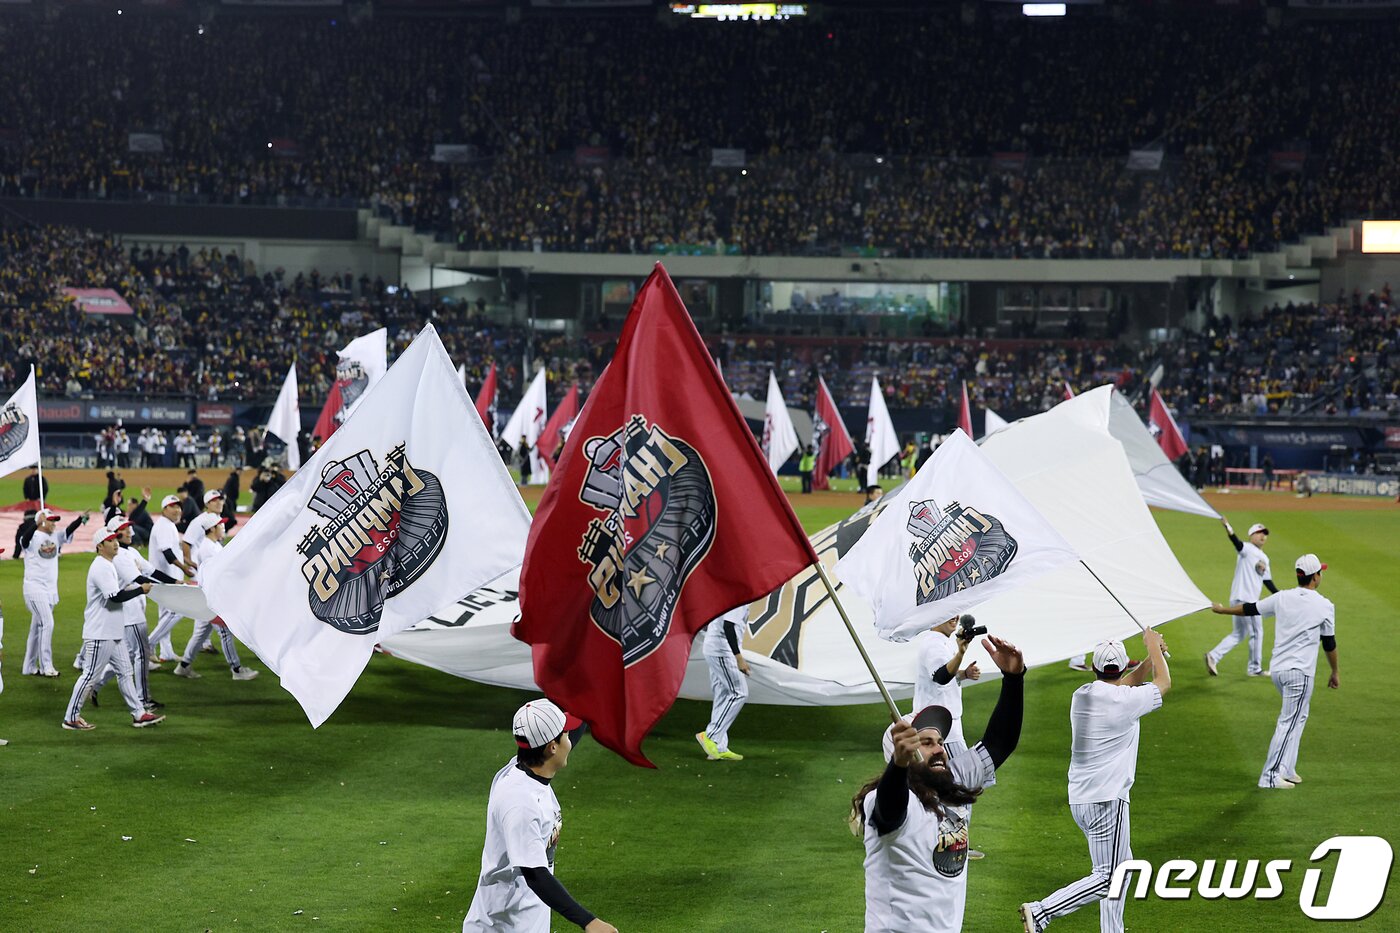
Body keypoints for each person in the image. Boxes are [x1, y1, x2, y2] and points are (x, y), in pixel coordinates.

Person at [853, 636, 1026, 933]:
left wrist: (1013, 679)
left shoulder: (950, 784)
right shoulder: (886, 800)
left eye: (940, 742)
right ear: (902, 751)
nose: (940, 749)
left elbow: (999, 743)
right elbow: (891, 808)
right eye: (927, 743)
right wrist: (899, 764)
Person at [1019, 629, 1171, 933]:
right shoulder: (1126, 700)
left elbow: (1127, 684)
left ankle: (1112, 929)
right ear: (1125, 665)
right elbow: (1163, 683)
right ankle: (1041, 911)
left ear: (1093, 668)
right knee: (1109, 877)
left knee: (1122, 870)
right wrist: (1155, 649)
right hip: (1108, 799)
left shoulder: (1083, 694)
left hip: (1082, 799)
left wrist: (1152, 657)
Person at [462, 699, 616, 933]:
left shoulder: (521, 766)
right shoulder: (521, 804)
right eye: (564, 735)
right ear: (552, 747)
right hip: (505, 925)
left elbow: (571, 734)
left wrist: (593, 693)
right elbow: (535, 875)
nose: (570, 740)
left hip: (521, 920)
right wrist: (589, 922)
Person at [1211, 554, 1338, 789]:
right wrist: (1335, 672)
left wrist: (1223, 610)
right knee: (1289, 721)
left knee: (1298, 717)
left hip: (1278, 671)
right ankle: (1269, 776)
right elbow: (1328, 643)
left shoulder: (1282, 597)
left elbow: (1250, 608)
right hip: (1300, 673)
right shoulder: (1324, 605)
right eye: (1320, 571)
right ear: (1315, 577)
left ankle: (1287, 768)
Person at [60, 528, 164, 731]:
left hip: (113, 631)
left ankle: (139, 714)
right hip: (100, 632)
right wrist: (139, 590)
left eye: (115, 538)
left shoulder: (109, 565)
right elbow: (114, 597)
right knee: (90, 675)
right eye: (109, 540)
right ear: (100, 546)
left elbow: (116, 593)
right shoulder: (101, 567)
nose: (115, 542)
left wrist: (134, 589)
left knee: (125, 672)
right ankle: (70, 717)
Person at [87, 517, 179, 713]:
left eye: (129, 527)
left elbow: (152, 571)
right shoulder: (119, 556)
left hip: (133, 610)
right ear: (114, 535)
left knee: (128, 655)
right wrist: (171, 587)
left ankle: (96, 685)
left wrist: (175, 582)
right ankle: (143, 699)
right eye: (124, 529)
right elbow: (139, 579)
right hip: (130, 613)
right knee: (142, 654)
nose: (130, 532)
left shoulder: (131, 552)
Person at [914, 615, 984, 860]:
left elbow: (945, 676)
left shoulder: (939, 641)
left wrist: (963, 673)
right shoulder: (933, 643)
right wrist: (961, 654)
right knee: (964, 781)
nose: (954, 616)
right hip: (942, 729)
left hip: (942, 723)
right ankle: (955, 841)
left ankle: (941, 838)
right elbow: (941, 676)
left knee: (939, 783)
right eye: (949, 612)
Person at [172, 515, 259, 682]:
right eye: (220, 525)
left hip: (207, 596)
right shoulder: (208, 549)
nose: (224, 528)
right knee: (225, 632)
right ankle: (237, 669)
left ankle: (183, 666)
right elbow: (219, 574)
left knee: (200, 633)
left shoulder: (213, 545)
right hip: (212, 598)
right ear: (212, 528)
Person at [20, 508, 89, 677]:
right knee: (47, 623)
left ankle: (28, 667)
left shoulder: (56, 537)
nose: (53, 523)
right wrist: (36, 523)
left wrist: (80, 519)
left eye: (54, 520)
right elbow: (24, 540)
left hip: (50, 590)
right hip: (34, 588)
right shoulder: (32, 538)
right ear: (41, 521)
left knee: (36, 628)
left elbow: (68, 531)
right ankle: (46, 666)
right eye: (50, 520)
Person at [1205, 520, 1276, 678]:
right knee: (1257, 632)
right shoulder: (1247, 549)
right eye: (1259, 533)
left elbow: (1267, 580)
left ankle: (1213, 656)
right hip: (1247, 600)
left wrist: (1279, 594)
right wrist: (1228, 527)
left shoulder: (1265, 558)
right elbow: (1236, 543)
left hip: (1239, 599)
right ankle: (1254, 669)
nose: (1262, 536)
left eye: (1264, 534)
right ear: (1251, 536)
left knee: (1239, 633)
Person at [146, 494, 197, 663]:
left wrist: (187, 561)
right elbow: (168, 554)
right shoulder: (164, 526)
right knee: (175, 612)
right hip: (165, 579)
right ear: (164, 509)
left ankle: (166, 652)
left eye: (179, 507)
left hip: (167, 578)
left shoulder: (168, 525)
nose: (178, 510)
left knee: (166, 616)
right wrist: (184, 568)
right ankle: (148, 644)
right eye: (173, 506)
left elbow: (174, 551)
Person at [696, 604, 750, 761]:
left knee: (723, 694)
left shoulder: (732, 593)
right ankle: (711, 735)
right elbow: (728, 626)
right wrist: (739, 658)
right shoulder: (740, 597)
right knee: (739, 693)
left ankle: (718, 747)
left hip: (714, 648)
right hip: (721, 650)